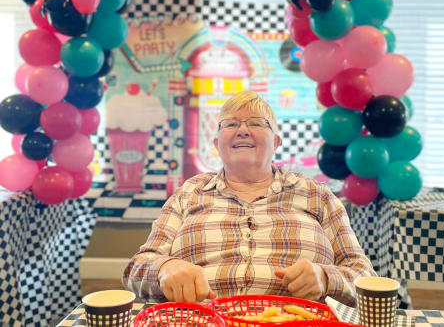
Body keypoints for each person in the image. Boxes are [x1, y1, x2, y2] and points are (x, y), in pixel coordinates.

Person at [123, 91, 375, 305]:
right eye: (231, 124)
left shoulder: (317, 195)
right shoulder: (189, 192)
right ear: (216, 143)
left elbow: (366, 279)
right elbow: (136, 269)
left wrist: (325, 278)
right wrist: (165, 269)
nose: (242, 130)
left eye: (256, 123)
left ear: (276, 141)